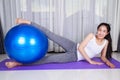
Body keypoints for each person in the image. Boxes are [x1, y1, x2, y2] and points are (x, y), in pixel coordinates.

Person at [5, 18, 115, 68]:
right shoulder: (91, 35)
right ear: (97, 30)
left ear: (107, 33)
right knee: (51, 35)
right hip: (74, 46)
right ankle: (28, 22)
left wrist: (108, 63)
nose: (100, 32)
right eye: (100, 30)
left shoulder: (105, 42)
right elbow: (81, 48)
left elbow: (103, 57)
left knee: (48, 60)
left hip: (73, 57)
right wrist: (90, 61)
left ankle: (19, 63)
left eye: (103, 31)